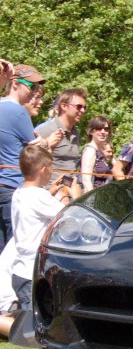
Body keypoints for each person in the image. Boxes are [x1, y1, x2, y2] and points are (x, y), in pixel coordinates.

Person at [11, 145, 81, 310]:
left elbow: (34, 210)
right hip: (32, 272)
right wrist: (76, 195)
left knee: (28, 319)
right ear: (43, 170)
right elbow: (69, 217)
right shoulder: (39, 196)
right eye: (50, 169)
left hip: (20, 270)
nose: (51, 173)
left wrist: (50, 192)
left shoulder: (20, 192)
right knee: (32, 327)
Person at [0, 63, 58, 252]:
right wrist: (46, 142)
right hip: (13, 188)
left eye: (37, 88)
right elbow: (37, 146)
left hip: (3, 187)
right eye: (31, 87)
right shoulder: (17, 111)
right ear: (15, 83)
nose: (35, 93)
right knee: (15, 249)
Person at [35, 88, 87, 180]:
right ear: (64, 106)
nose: (82, 110)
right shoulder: (46, 130)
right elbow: (30, 163)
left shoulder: (76, 133)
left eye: (84, 107)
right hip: (50, 189)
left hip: (71, 188)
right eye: (79, 106)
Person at [80, 116, 114, 191]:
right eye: (99, 128)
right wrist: (91, 200)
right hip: (93, 195)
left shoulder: (100, 151)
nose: (103, 132)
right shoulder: (90, 151)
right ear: (91, 131)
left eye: (106, 129)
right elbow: (86, 180)